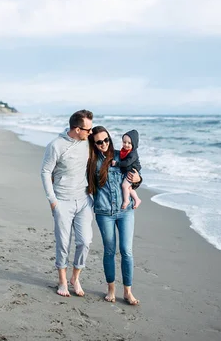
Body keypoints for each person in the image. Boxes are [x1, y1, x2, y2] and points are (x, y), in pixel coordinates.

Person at [40, 109, 94, 297]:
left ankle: (75, 277)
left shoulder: (88, 141)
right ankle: (63, 281)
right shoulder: (56, 145)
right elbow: (46, 172)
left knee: (85, 241)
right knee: (63, 243)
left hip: (84, 200)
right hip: (62, 201)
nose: (91, 132)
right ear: (77, 129)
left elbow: (108, 152)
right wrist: (53, 201)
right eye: (88, 129)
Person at [87, 126, 142, 305]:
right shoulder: (92, 162)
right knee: (109, 251)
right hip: (104, 212)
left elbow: (136, 174)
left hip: (125, 211)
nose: (104, 144)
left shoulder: (121, 156)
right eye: (99, 142)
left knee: (126, 251)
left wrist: (139, 179)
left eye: (106, 140)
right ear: (94, 144)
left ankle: (128, 291)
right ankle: (111, 288)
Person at [111, 130, 142, 209]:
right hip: (129, 170)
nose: (126, 145)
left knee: (124, 186)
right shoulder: (125, 151)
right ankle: (137, 199)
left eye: (129, 143)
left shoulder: (133, 153)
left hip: (133, 171)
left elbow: (127, 163)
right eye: (124, 142)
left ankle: (126, 200)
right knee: (129, 188)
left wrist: (116, 163)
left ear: (134, 144)